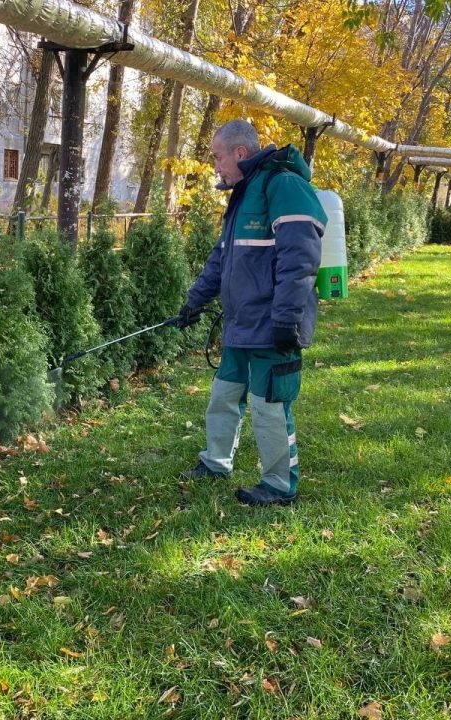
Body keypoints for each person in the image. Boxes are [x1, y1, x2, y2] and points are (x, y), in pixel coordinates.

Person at [176, 119, 326, 507]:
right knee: (223, 396)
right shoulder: (243, 193)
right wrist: (195, 300)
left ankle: (278, 484)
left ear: (239, 153)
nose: (215, 166)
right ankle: (215, 462)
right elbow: (221, 259)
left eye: (217, 156)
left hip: (273, 326)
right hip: (240, 326)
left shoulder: (284, 185)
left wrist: (287, 319)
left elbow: (300, 260)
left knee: (270, 408)